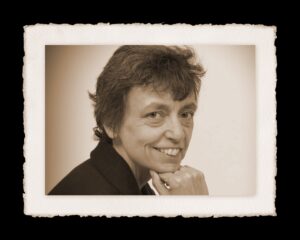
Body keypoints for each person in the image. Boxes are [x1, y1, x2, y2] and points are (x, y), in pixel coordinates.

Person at [49, 45, 209, 195]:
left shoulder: (135, 188)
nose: (178, 134)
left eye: (185, 114)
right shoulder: (92, 199)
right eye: (154, 115)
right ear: (111, 123)